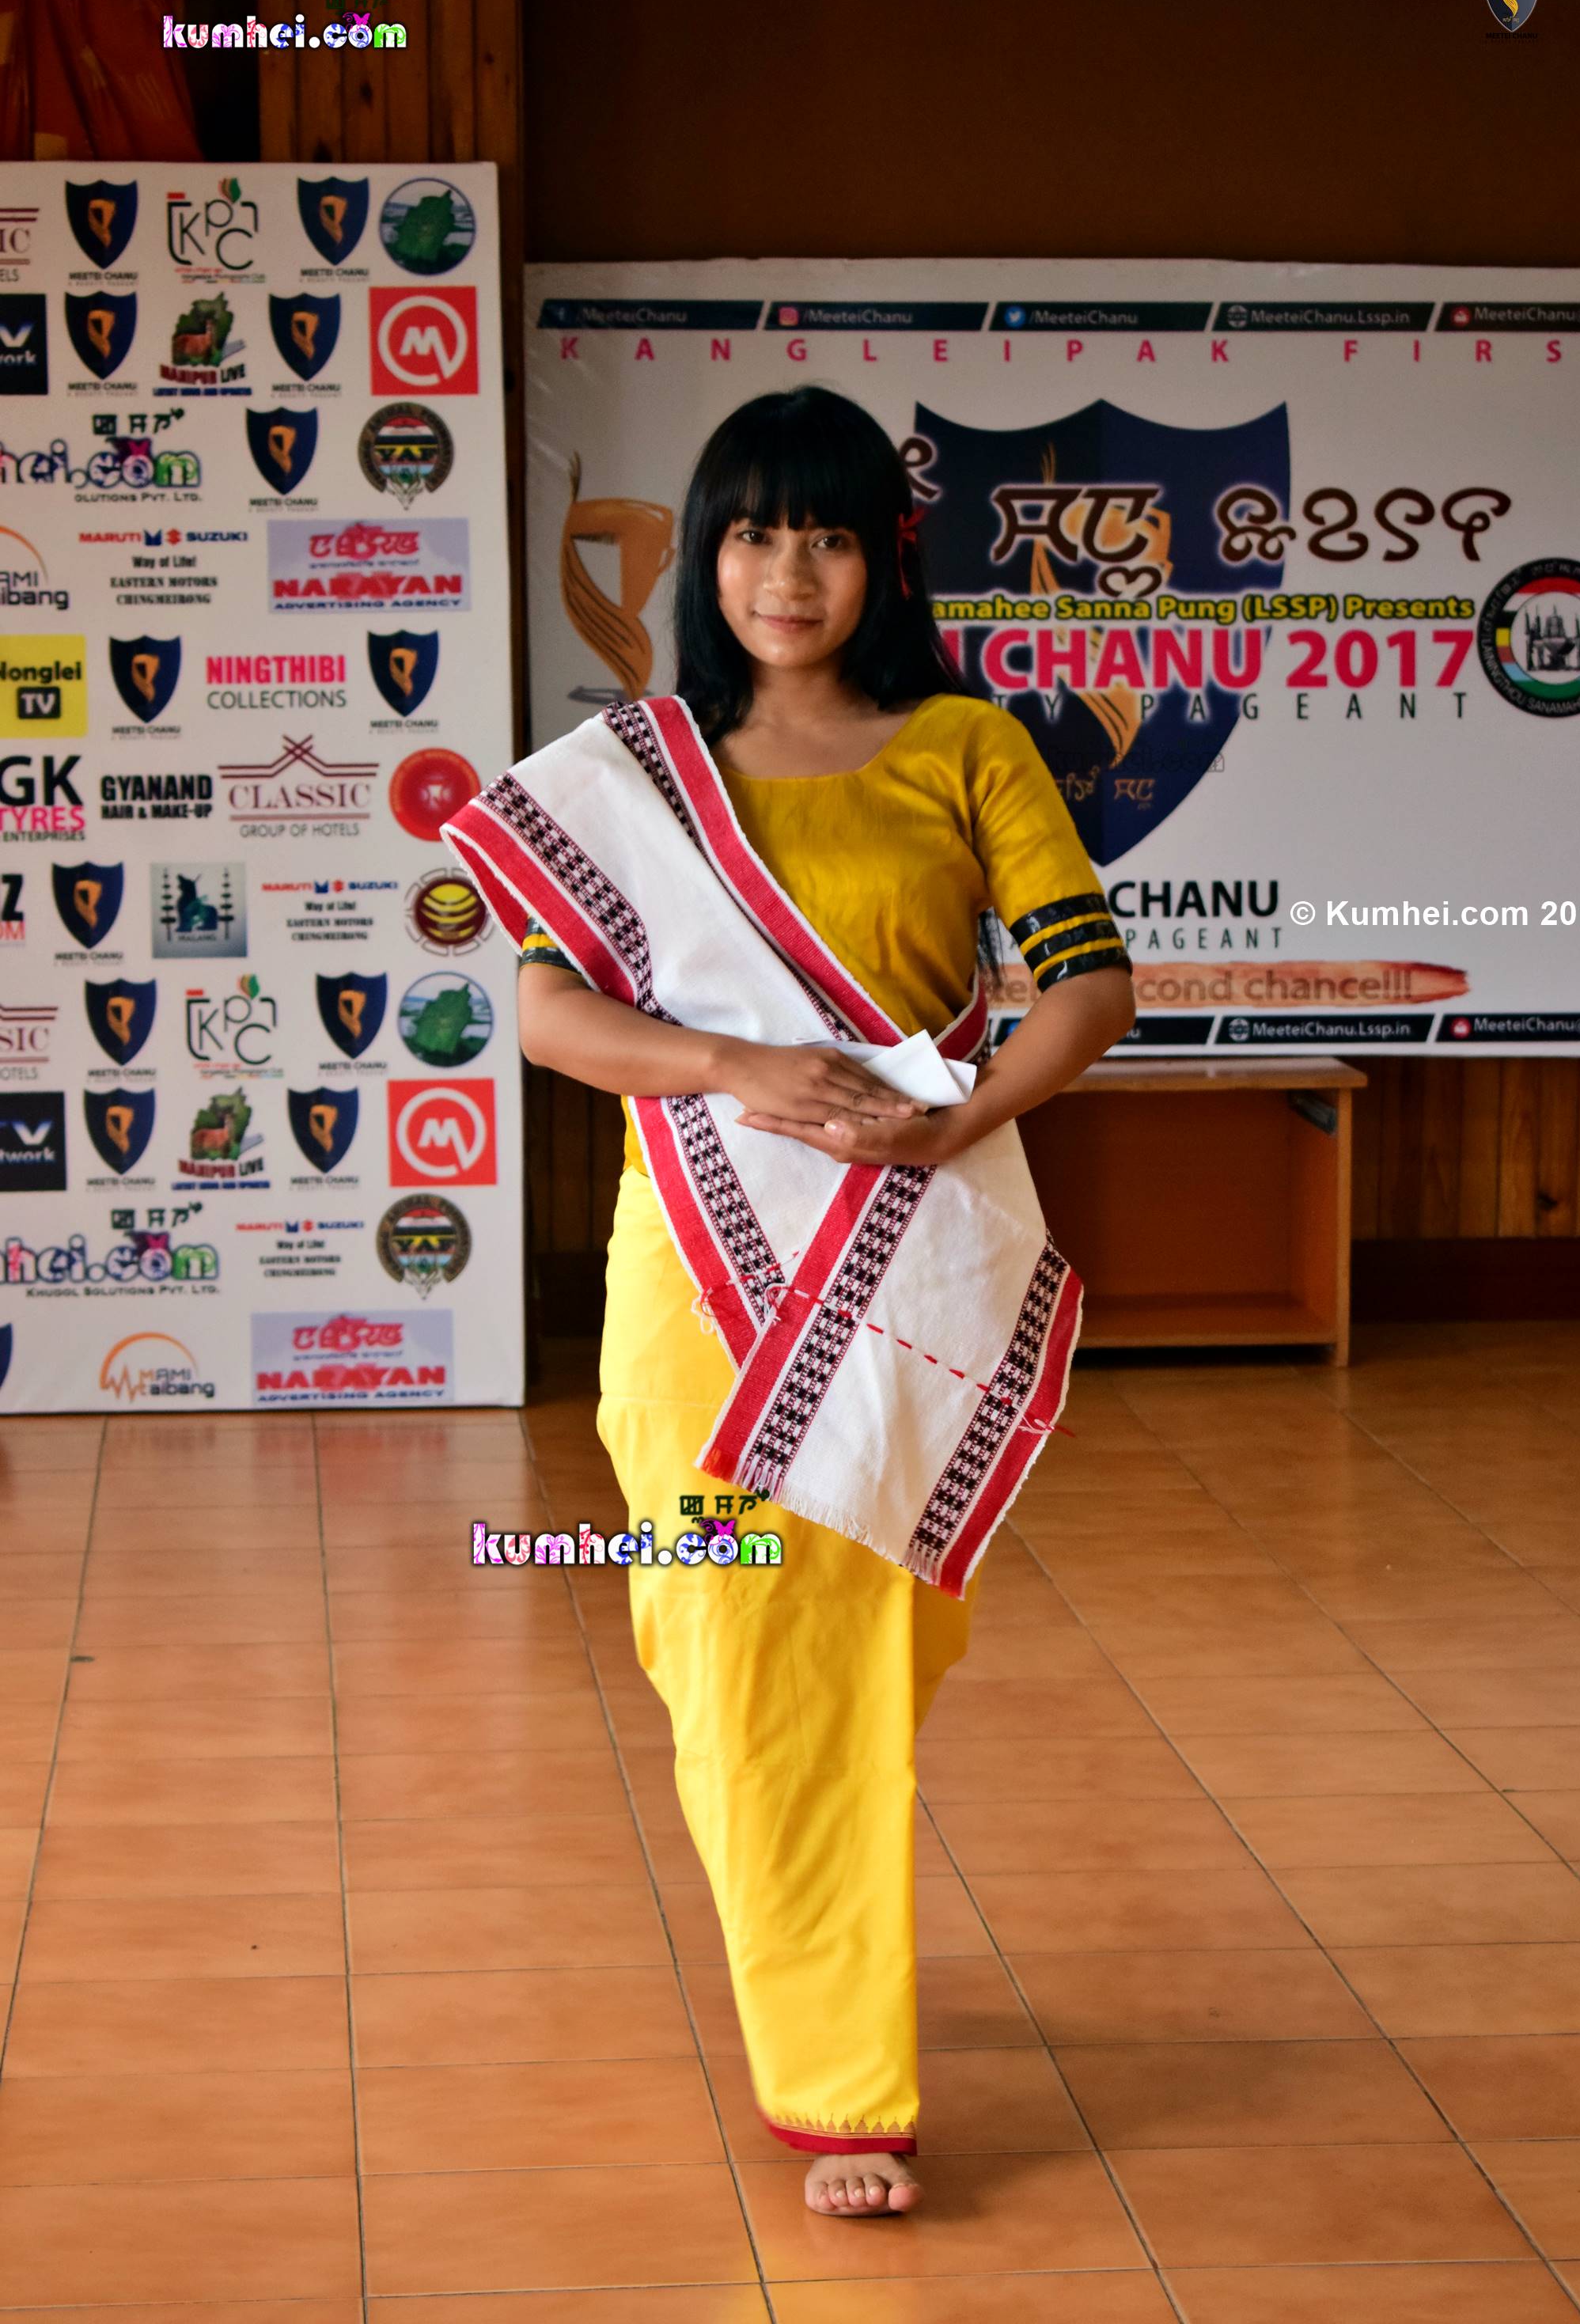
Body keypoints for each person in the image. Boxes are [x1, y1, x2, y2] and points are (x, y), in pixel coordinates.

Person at [513, 385, 1136, 2216]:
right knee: (724, 1643)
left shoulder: (965, 745)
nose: (789, 572)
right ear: (705, 559)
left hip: (915, 1248)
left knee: (869, 1650)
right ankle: (840, 2080)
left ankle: (816, 1930)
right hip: (695, 1271)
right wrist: (733, 1066)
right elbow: (544, 1011)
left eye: (832, 534)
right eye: (754, 533)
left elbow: (1087, 983)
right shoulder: (636, 769)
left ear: (886, 559)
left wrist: (966, 1117)